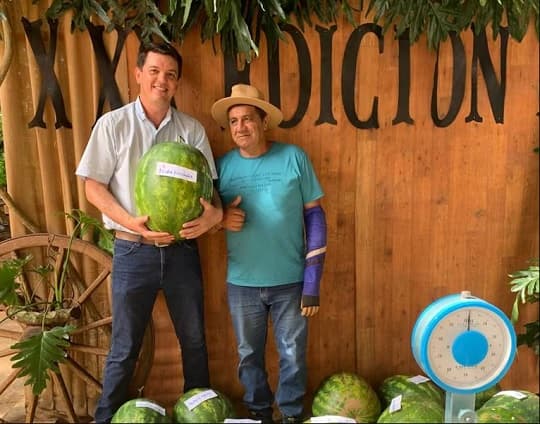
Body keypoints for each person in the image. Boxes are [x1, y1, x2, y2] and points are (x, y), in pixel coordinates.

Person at [76, 41, 223, 423]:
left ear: (177, 82)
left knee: (194, 341)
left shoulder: (191, 130)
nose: (162, 80)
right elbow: (92, 187)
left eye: (171, 74)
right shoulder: (113, 125)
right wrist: (130, 222)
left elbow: (212, 194)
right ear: (138, 74)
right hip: (132, 250)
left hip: (182, 252)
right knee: (125, 345)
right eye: (154, 71)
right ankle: (105, 419)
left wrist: (213, 218)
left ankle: (200, 416)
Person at [210, 84, 327, 423]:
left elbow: (315, 217)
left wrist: (312, 281)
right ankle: (259, 414)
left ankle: (290, 415)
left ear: (264, 122)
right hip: (242, 282)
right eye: (233, 121)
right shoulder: (222, 167)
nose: (240, 127)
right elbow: (205, 217)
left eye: (248, 119)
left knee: (293, 355)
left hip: (290, 280)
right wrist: (221, 219)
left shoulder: (294, 158)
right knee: (248, 355)